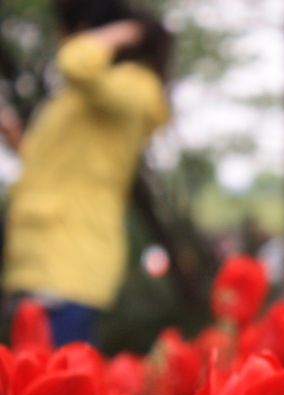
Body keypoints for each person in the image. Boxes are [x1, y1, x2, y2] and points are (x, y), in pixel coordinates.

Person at [0, 0, 172, 345]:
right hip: (36, 254)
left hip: (68, 259)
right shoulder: (84, 97)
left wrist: (129, 30)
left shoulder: (137, 85)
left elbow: (76, 63)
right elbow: (54, 163)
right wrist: (16, 136)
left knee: (53, 384)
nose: (60, 40)